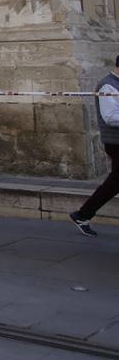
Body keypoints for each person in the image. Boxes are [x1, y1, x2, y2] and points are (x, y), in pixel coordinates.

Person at [70, 57, 119, 235]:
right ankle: (83, 214)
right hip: (116, 142)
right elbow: (110, 116)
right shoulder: (108, 85)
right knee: (114, 182)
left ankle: (83, 214)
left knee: (114, 183)